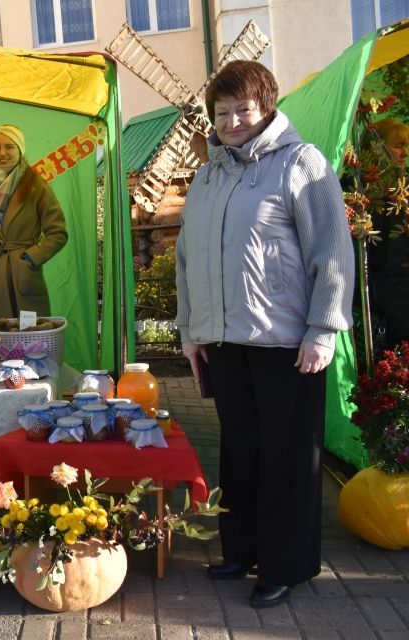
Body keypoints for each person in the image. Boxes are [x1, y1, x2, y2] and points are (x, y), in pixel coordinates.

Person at [175, 61, 353, 608]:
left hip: (286, 341)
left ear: (266, 107)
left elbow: (332, 251)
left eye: (242, 110)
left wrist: (323, 328)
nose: (231, 121)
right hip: (225, 340)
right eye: (221, 112)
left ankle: (285, 565)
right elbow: (186, 257)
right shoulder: (208, 174)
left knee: (288, 455)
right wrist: (190, 329)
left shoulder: (301, 164)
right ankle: (242, 549)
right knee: (241, 448)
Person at [0, 124, 68, 321]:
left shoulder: (35, 186)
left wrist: (30, 259)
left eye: (9, 146)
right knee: (0, 341)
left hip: (24, 278)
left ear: (20, 149)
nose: (2, 152)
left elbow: (58, 233)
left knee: (32, 342)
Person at [366, 119, 409, 346]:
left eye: (406, 147)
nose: (405, 153)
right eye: (398, 146)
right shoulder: (370, 193)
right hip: (389, 294)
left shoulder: (401, 187)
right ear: (377, 147)